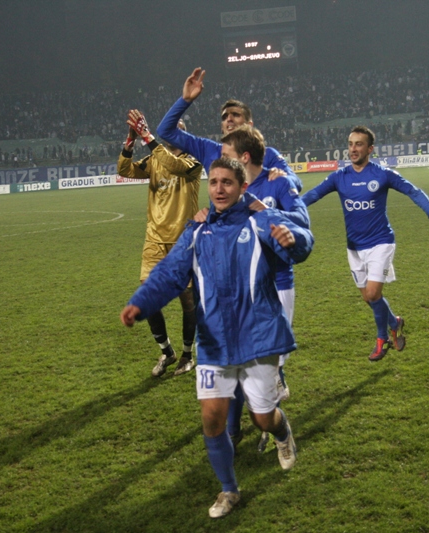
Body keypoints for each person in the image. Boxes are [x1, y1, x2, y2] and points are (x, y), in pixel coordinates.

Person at [120, 157, 314, 518]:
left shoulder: (260, 220)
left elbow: (303, 243)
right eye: (214, 183)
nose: (220, 189)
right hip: (215, 342)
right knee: (212, 419)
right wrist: (140, 304)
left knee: (262, 417)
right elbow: (168, 275)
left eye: (227, 182)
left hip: (258, 337)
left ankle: (282, 431)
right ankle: (229, 490)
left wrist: (293, 238)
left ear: (242, 187)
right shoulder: (196, 232)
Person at [302, 126, 429, 361]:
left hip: (381, 242)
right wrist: (285, 211)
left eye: (359, 144)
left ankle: (382, 339)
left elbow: (414, 192)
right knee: (368, 298)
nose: (353, 149)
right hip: (354, 246)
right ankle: (395, 322)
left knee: (373, 293)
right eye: (351, 144)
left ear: (370, 149)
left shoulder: (382, 174)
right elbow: (312, 196)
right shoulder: (339, 177)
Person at [217, 125, 309, 453]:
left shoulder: (276, 181)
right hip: (242, 291)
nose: (219, 159)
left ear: (244, 157)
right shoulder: (230, 190)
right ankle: (248, 425)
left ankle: (271, 427)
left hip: (277, 285)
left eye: (225, 154)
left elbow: (303, 223)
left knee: (266, 366)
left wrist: (266, 212)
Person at [118, 110, 203, 377]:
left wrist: (148, 137)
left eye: (176, 129)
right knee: (148, 295)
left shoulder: (192, 161)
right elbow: (124, 170)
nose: (170, 134)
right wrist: (131, 141)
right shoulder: (155, 159)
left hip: (183, 242)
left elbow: (173, 166)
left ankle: (188, 354)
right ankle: (167, 352)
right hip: (154, 239)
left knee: (187, 300)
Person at [155, 67, 303, 192]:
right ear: (222, 127)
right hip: (222, 226)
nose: (229, 119)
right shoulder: (208, 150)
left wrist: (283, 176)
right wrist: (185, 100)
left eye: (236, 115)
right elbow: (164, 131)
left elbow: (297, 183)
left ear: (249, 125)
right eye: (225, 117)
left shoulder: (268, 155)